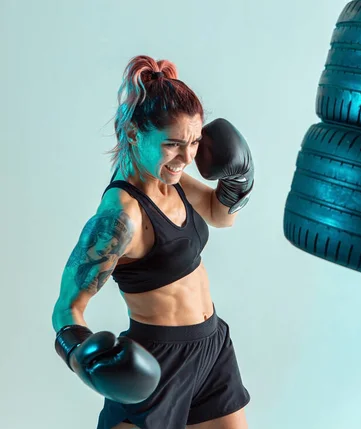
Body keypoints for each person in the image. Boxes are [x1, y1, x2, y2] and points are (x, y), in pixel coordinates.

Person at [51, 55, 254, 429]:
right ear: (134, 134)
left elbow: (222, 216)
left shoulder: (170, 183)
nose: (187, 158)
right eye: (174, 144)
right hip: (158, 363)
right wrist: (82, 355)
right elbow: (66, 310)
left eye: (194, 142)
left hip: (212, 347)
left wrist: (238, 184)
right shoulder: (120, 218)